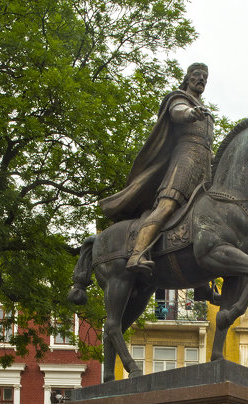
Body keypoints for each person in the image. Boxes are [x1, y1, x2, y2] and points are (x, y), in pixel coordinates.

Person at [101, 63, 214, 278]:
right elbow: (177, 112)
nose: (201, 79)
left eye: (205, 77)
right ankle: (137, 253)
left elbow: (207, 145)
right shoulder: (180, 99)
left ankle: (202, 285)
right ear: (188, 78)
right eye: (197, 75)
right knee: (167, 205)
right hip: (184, 162)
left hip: (203, 167)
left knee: (203, 221)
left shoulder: (206, 112)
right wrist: (191, 113)